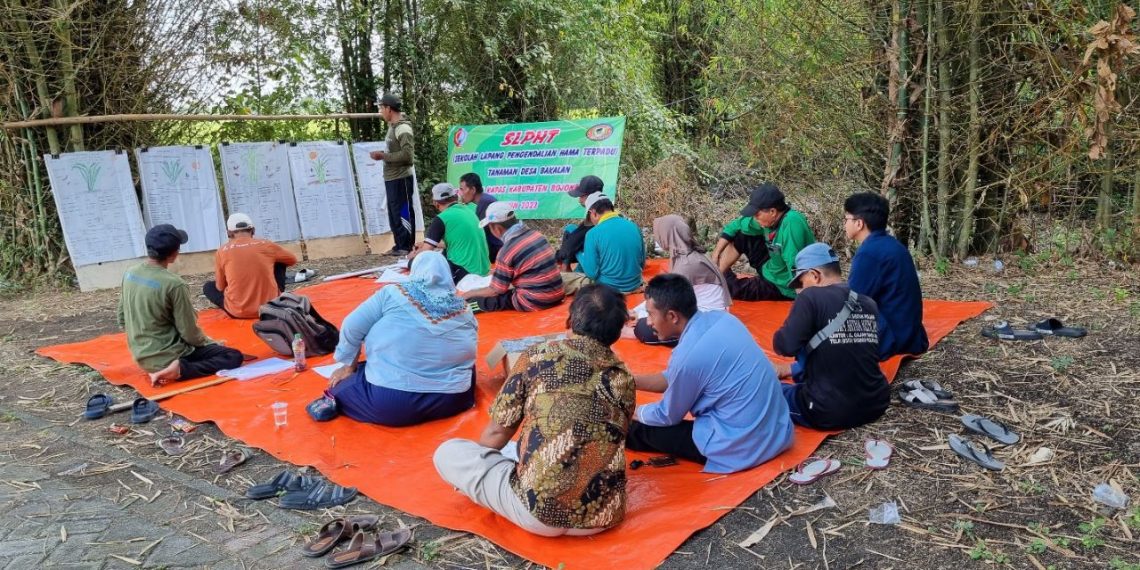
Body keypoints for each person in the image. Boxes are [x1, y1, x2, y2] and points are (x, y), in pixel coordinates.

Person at [434, 284, 635, 537]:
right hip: (603, 516)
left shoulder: (538, 356)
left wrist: (478, 467)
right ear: (617, 332)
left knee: (448, 452)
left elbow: (498, 431)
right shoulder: (624, 376)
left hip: (539, 514)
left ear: (569, 320)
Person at [627, 274, 793, 473]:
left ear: (672, 316)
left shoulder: (688, 356)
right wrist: (631, 381)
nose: (649, 322)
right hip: (778, 431)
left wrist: (632, 412)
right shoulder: (724, 319)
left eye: (651, 314)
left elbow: (667, 415)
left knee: (636, 430)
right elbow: (673, 377)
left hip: (743, 446)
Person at [323, 251, 477, 426]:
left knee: (339, 389)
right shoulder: (463, 308)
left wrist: (348, 366)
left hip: (394, 404)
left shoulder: (393, 293)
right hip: (454, 399)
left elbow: (352, 326)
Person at [773, 243, 889, 430]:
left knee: (763, 392)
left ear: (814, 275)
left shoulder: (810, 297)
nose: (800, 290)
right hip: (876, 403)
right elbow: (850, 351)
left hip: (826, 410)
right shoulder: (868, 303)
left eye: (801, 283)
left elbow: (785, 345)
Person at [118, 224, 243, 386]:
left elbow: (122, 319)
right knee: (233, 356)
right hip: (169, 357)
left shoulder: (130, 273)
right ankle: (180, 370)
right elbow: (189, 332)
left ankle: (171, 366)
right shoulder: (174, 284)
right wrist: (210, 343)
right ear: (174, 254)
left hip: (141, 356)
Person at [843, 192, 929, 360]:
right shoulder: (893, 244)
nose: (844, 224)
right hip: (911, 335)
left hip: (893, 340)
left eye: (846, 219)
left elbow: (852, 305)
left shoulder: (869, 254)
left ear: (859, 223)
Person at [634, 215, 732, 346]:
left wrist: (642, 314)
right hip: (704, 313)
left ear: (667, 235)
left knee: (643, 328)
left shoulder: (686, 264)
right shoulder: (685, 253)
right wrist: (637, 310)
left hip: (708, 323)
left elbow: (668, 301)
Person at [712, 183, 815, 301]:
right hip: (771, 266)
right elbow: (735, 226)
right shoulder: (768, 220)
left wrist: (803, 301)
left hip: (783, 285)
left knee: (732, 288)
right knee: (741, 235)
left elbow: (796, 267)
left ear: (772, 212)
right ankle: (718, 274)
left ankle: (722, 281)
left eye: (757, 215)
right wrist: (716, 252)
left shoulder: (792, 224)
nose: (755, 218)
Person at [460, 202, 564, 312]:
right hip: (557, 294)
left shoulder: (507, 251)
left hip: (536, 301)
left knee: (480, 301)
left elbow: (495, 290)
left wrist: (469, 293)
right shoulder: (537, 235)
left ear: (497, 228)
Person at [202, 213, 298, 319]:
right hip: (272, 307)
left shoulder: (222, 251)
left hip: (238, 312)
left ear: (229, 233)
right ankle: (275, 295)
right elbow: (292, 260)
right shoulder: (266, 244)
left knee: (208, 287)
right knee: (280, 261)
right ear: (253, 230)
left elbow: (220, 287)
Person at [560, 193, 645, 295]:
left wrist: (577, 251)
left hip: (608, 289)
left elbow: (591, 273)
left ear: (593, 213)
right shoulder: (634, 227)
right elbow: (642, 263)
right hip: (634, 285)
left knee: (561, 279)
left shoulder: (593, 234)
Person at [411, 182, 490, 284]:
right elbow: (459, 241)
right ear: (455, 196)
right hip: (483, 269)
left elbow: (425, 254)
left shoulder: (442, 218)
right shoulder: (471, 208)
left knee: (415, 263)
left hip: (465, 273)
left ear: (436, 203)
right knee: (442, 254)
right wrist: (426, 243)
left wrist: (413, 255)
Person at [368, 93, 416, 256]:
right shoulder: (392, 127)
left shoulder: (403, 128)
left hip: (401, 177)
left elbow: (408, 156)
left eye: (382, 108)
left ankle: (406, 246)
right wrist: (384, 154)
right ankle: (399, 245)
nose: (381, 111)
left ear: (389, 109)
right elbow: (396, 151)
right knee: (394, 211)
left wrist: (383, 156)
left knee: (403, 211)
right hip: (391, 177)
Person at [556, 175, 604, 270]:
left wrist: (553, 257)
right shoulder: (605, 207)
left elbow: (569, 246)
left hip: (599, 266)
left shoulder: (594, 215)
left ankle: (567, 270)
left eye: (581, 196)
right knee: (571, 229)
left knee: (573, 246)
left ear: (590, 196)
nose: (579, 200)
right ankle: (566, 267)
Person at [457, 172, 501, 262]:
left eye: (462, 189)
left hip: (496, 250)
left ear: (473, 190)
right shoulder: (484, 200)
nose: (460, 194)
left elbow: (476, 232)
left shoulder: (486, 203)